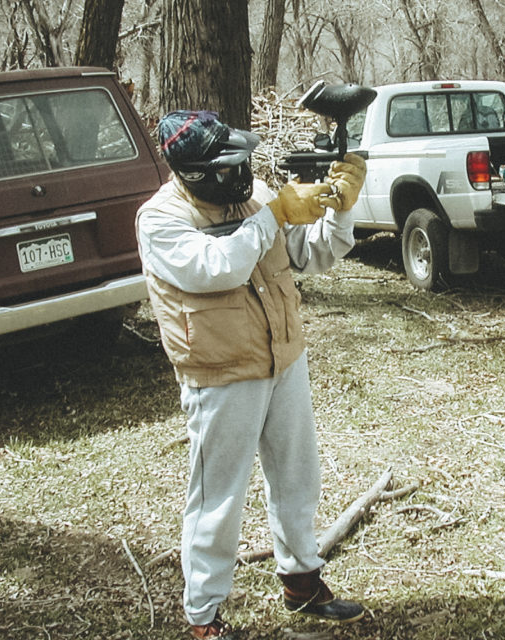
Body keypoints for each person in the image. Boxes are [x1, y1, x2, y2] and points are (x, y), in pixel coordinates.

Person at [135, 109, 367, 640]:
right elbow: (219, 267)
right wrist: (275, 216)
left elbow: (311, 256)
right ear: (194, 173)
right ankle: (204, 619)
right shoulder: (160, 218)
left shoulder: (255, 196)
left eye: (242, 161)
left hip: (283, 355)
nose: (240, 175)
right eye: (226, 167)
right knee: (217, 500)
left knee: (297, 476)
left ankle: (301, 580)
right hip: (220, 373)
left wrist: (339, 211)